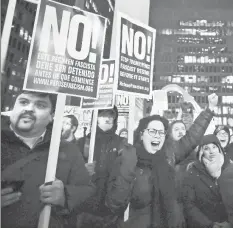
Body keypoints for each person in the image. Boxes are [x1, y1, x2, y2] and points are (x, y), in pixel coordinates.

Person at [105, 93, 218, 228]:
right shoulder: (128, 159)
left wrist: (209, 110)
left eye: (161, 132)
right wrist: (127, 167)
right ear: (141, 135)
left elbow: (191, 137)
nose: (157, 136)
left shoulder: (168, 155)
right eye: (152, 131)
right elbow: (114, 204)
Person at [1, 91, 95, 228]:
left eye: (40, 105)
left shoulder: (68, 151)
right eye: (23, 102)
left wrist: (65, 197)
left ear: (51, 116)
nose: (29, 108)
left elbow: (88, 195)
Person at [76, 107, 123, 228]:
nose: (107, 118)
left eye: (111, 115)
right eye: (103, 115)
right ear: (96, 118)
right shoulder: (83, 142)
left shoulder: (122, 143)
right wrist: (82, 171)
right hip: (85, 206)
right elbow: (71, 173)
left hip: (112, 208)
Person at [182, 135, 231, 228]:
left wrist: (231, 223)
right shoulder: (192, 172)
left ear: (219, 149)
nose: (211, 151)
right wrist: (209, 225)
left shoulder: (231, 168)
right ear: (201, 152)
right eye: (206, 148)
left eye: (214, 147)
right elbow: (189, 204)